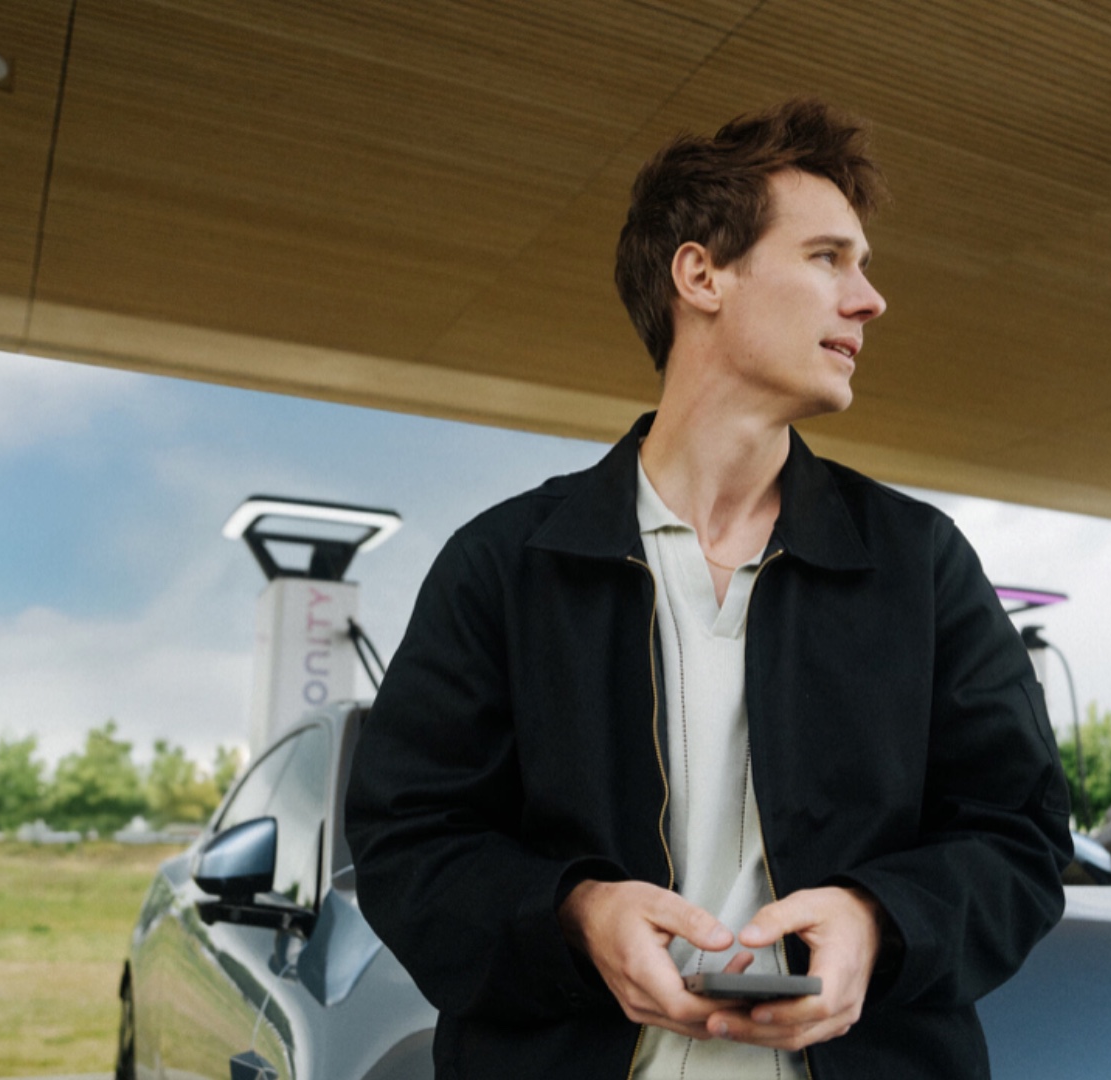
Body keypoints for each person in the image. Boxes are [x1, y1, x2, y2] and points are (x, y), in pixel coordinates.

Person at [344, 99, 1072, 1079]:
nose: (869, 300)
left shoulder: (923, 563)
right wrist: (577, 915)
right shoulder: (504, 564)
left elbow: (1021, 836)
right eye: (828, 258)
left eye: (861, 265)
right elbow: (407, 843)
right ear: (701, 275)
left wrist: (878, 919)